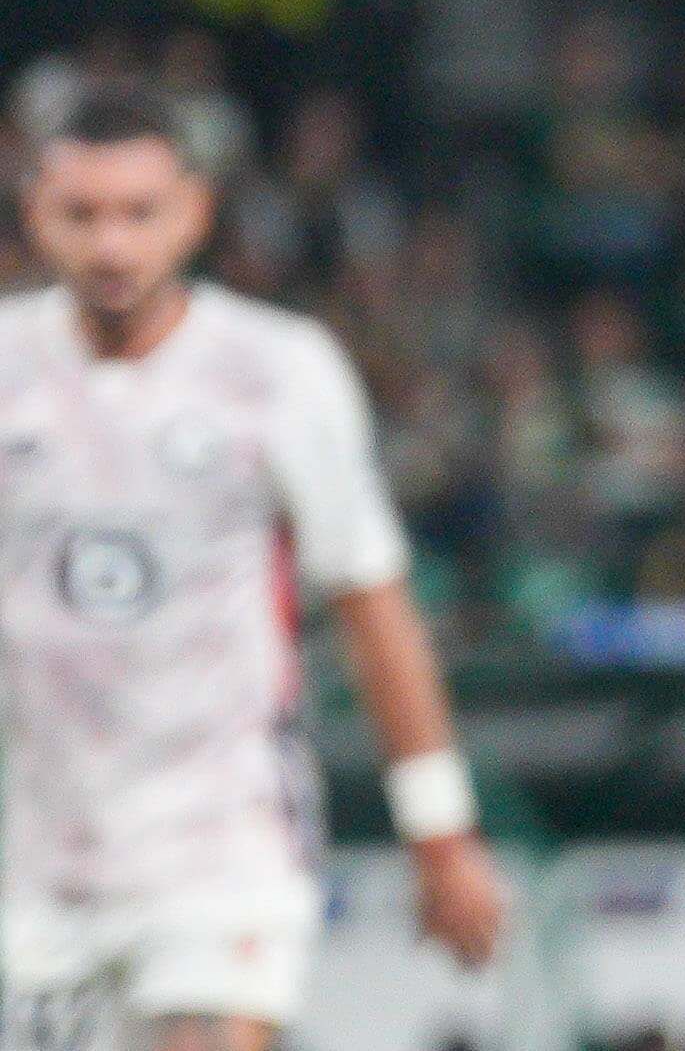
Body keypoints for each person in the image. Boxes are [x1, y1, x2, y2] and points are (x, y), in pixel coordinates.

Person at [0, 81, 506, 1051]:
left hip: (221, 844)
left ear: (194, 211)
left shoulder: (275, 368)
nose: (112, 244)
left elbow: (371, 598)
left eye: (139, 212)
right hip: (46, 864)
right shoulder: (10, 367)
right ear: (35, 213)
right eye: (82, 213)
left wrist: (439, 832)